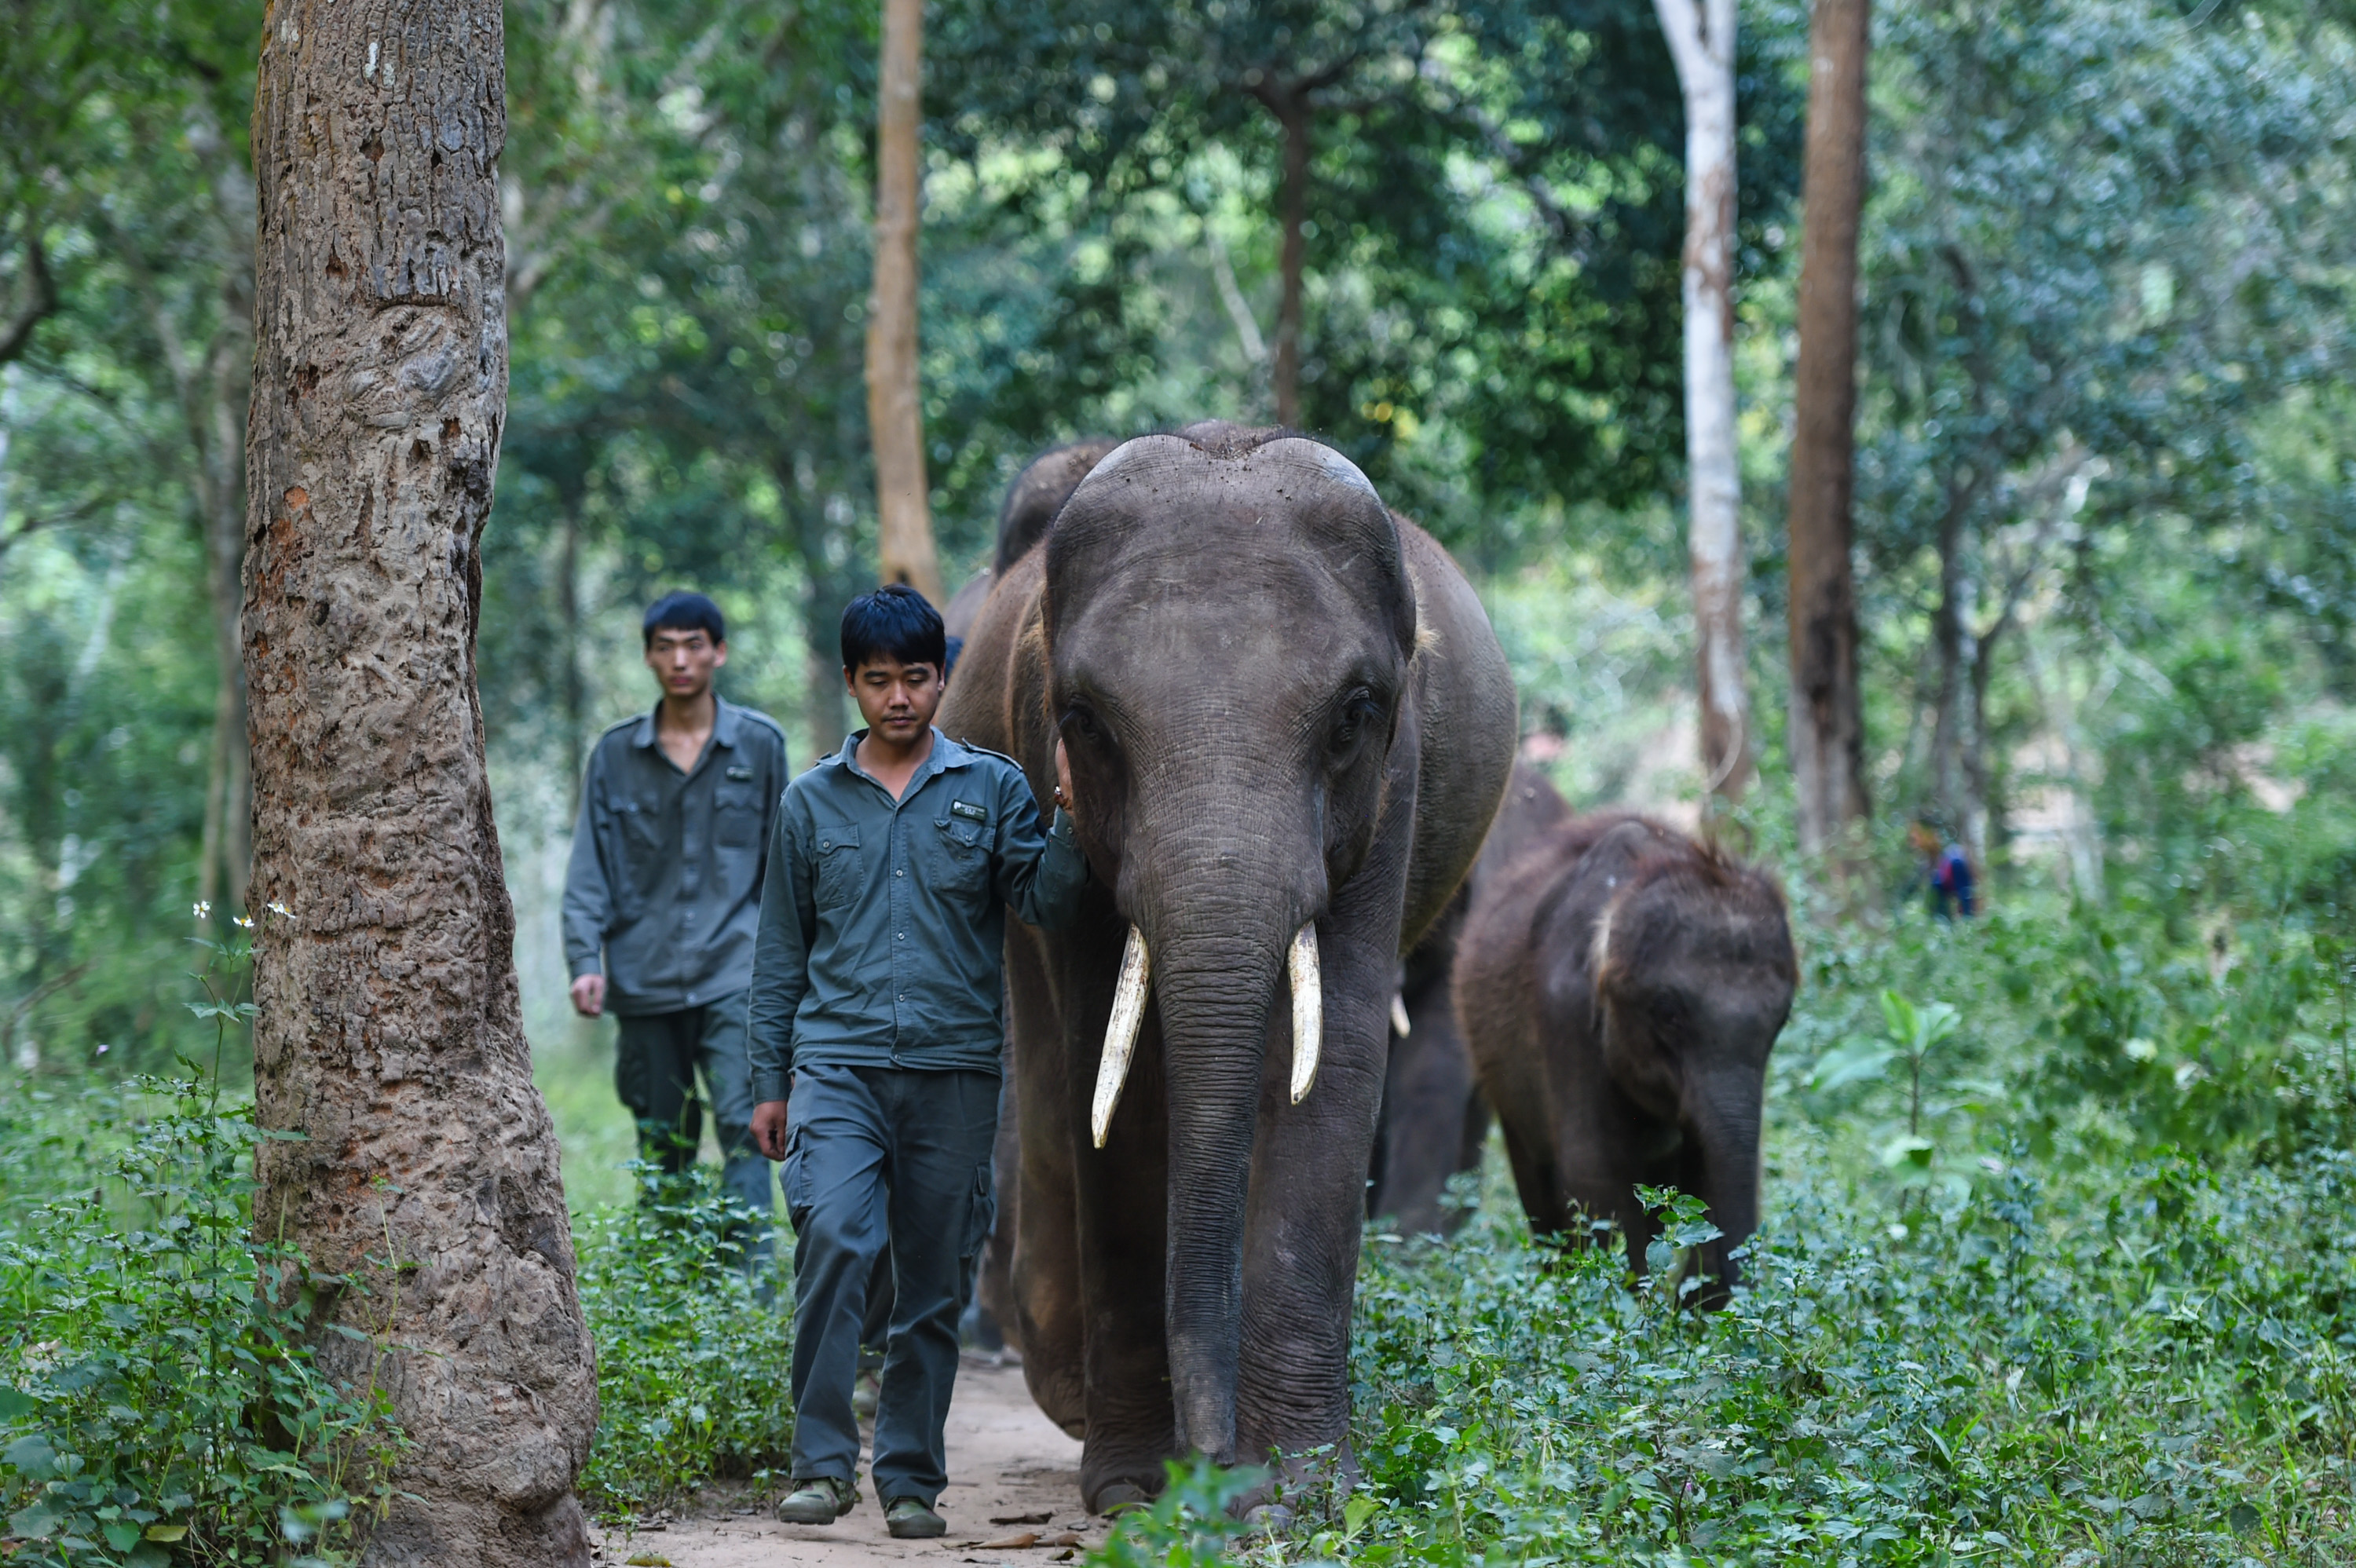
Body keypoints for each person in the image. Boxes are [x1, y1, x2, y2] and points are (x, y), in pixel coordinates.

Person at [748, 584, 1085, 1539]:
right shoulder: (810, 802)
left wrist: (1070, 813)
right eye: (879, 680)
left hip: (954, 1074)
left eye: (918, 677)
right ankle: (821, 1463)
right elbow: (779, 953)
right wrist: (769, 1081)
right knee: (838, 1242)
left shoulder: (991, 787)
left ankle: (907, 1478)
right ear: (852, 682)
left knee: (933, 1281)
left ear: (942, 677)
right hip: (839, 1067)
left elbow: (1046, 904)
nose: (900, 697)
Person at [562, 591, 791, 1243]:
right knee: (664, 1140)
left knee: (749, 1128)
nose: (680, 659)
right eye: (665, 647)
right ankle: (670, 1293)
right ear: (647, 657)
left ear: (718, 651)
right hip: (645, 979)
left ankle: (745, 1291)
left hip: (735, 976)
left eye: (694, 644)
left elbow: (788, 864)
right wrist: (584, 961)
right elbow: (589, 869)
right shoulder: (614, 756)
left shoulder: (761, 744)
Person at [1909, 819, 1976, 919]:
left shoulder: (1954, 859)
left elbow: (1966, 897)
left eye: (1917, 838)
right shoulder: (1931, 862)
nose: (1916, 845)